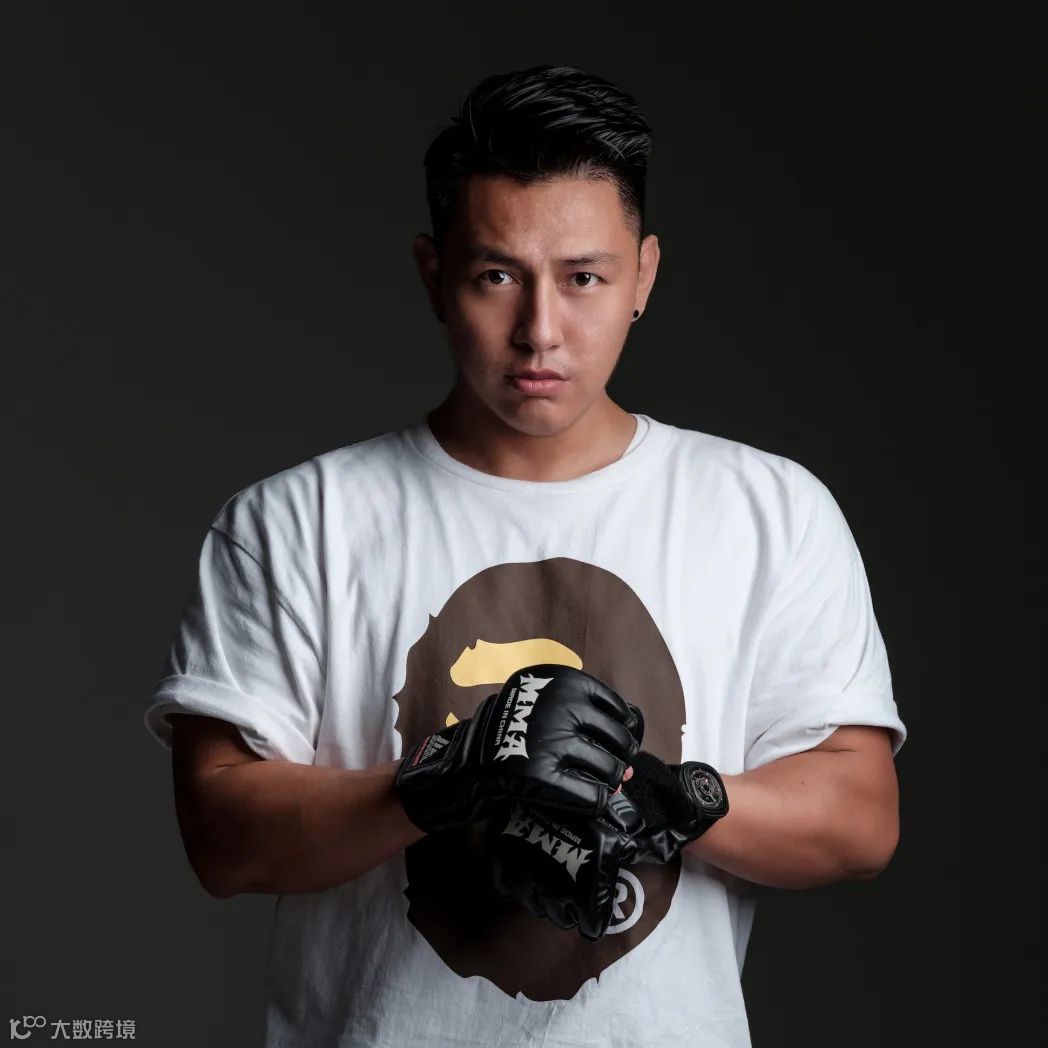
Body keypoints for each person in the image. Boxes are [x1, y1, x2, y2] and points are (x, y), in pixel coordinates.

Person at [145, 63, 907, 1047]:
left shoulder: (769, 511)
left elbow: (860, 818)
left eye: (584, 277)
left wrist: (661, 793)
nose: (540, 331)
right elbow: (221, 836)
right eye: (496, 275)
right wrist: (441, 777)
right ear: (434, 275)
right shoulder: (295, 521)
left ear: (643, 276)